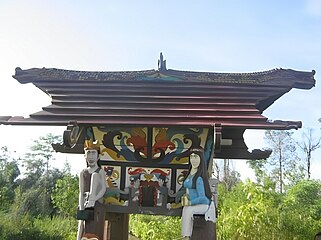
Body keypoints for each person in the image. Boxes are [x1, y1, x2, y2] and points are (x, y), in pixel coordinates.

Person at [181, 148, 215, 239]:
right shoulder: (190, 174)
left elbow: (203, 198)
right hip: (192, 203)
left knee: (188, 210)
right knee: (186, 209)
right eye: (191, 157)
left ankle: (187, 236)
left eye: (196, 157)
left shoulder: (199, 178)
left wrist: (190, 202)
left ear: (201, 159)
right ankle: (185, 235)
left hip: (203, 205)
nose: (193, 160)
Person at [77, 140, 107, 240]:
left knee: (95, 230)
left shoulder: (100, 172)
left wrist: (94, 199)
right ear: (85, 156)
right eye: (88, 153)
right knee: (84, 227)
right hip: (86, 204)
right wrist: (81, 207)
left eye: (93, 153)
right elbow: (81, 191)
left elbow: (103, 188)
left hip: (96, 203)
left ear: (98, 157)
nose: (91, 156)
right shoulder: (83, 172)